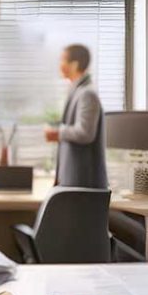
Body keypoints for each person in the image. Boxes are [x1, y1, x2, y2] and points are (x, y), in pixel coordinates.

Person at [43, 44, 108, 189]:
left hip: (84, 182)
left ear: (74, 64)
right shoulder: (76, 91)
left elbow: (85, 133)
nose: (60, 65)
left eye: (63, 60)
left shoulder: (87, 94)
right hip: (75, 180)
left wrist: (58, 133)